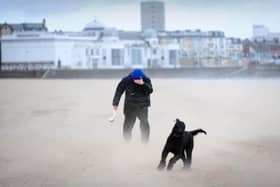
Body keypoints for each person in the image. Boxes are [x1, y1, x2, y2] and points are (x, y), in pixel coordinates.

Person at [112, 68, 153, 143]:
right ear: (132, 76)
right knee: (128, 125)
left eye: (138, 78)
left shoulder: (146, 79)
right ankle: (127, 141)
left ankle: (145, 143)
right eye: (135, 78)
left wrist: (143, 84)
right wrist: (115, 103)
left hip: (142, 106)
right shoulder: (126, 80)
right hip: (130, 106)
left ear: (141, 76)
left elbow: (150, 90)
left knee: (144, 123)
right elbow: (119, 91)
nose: (136, 80)